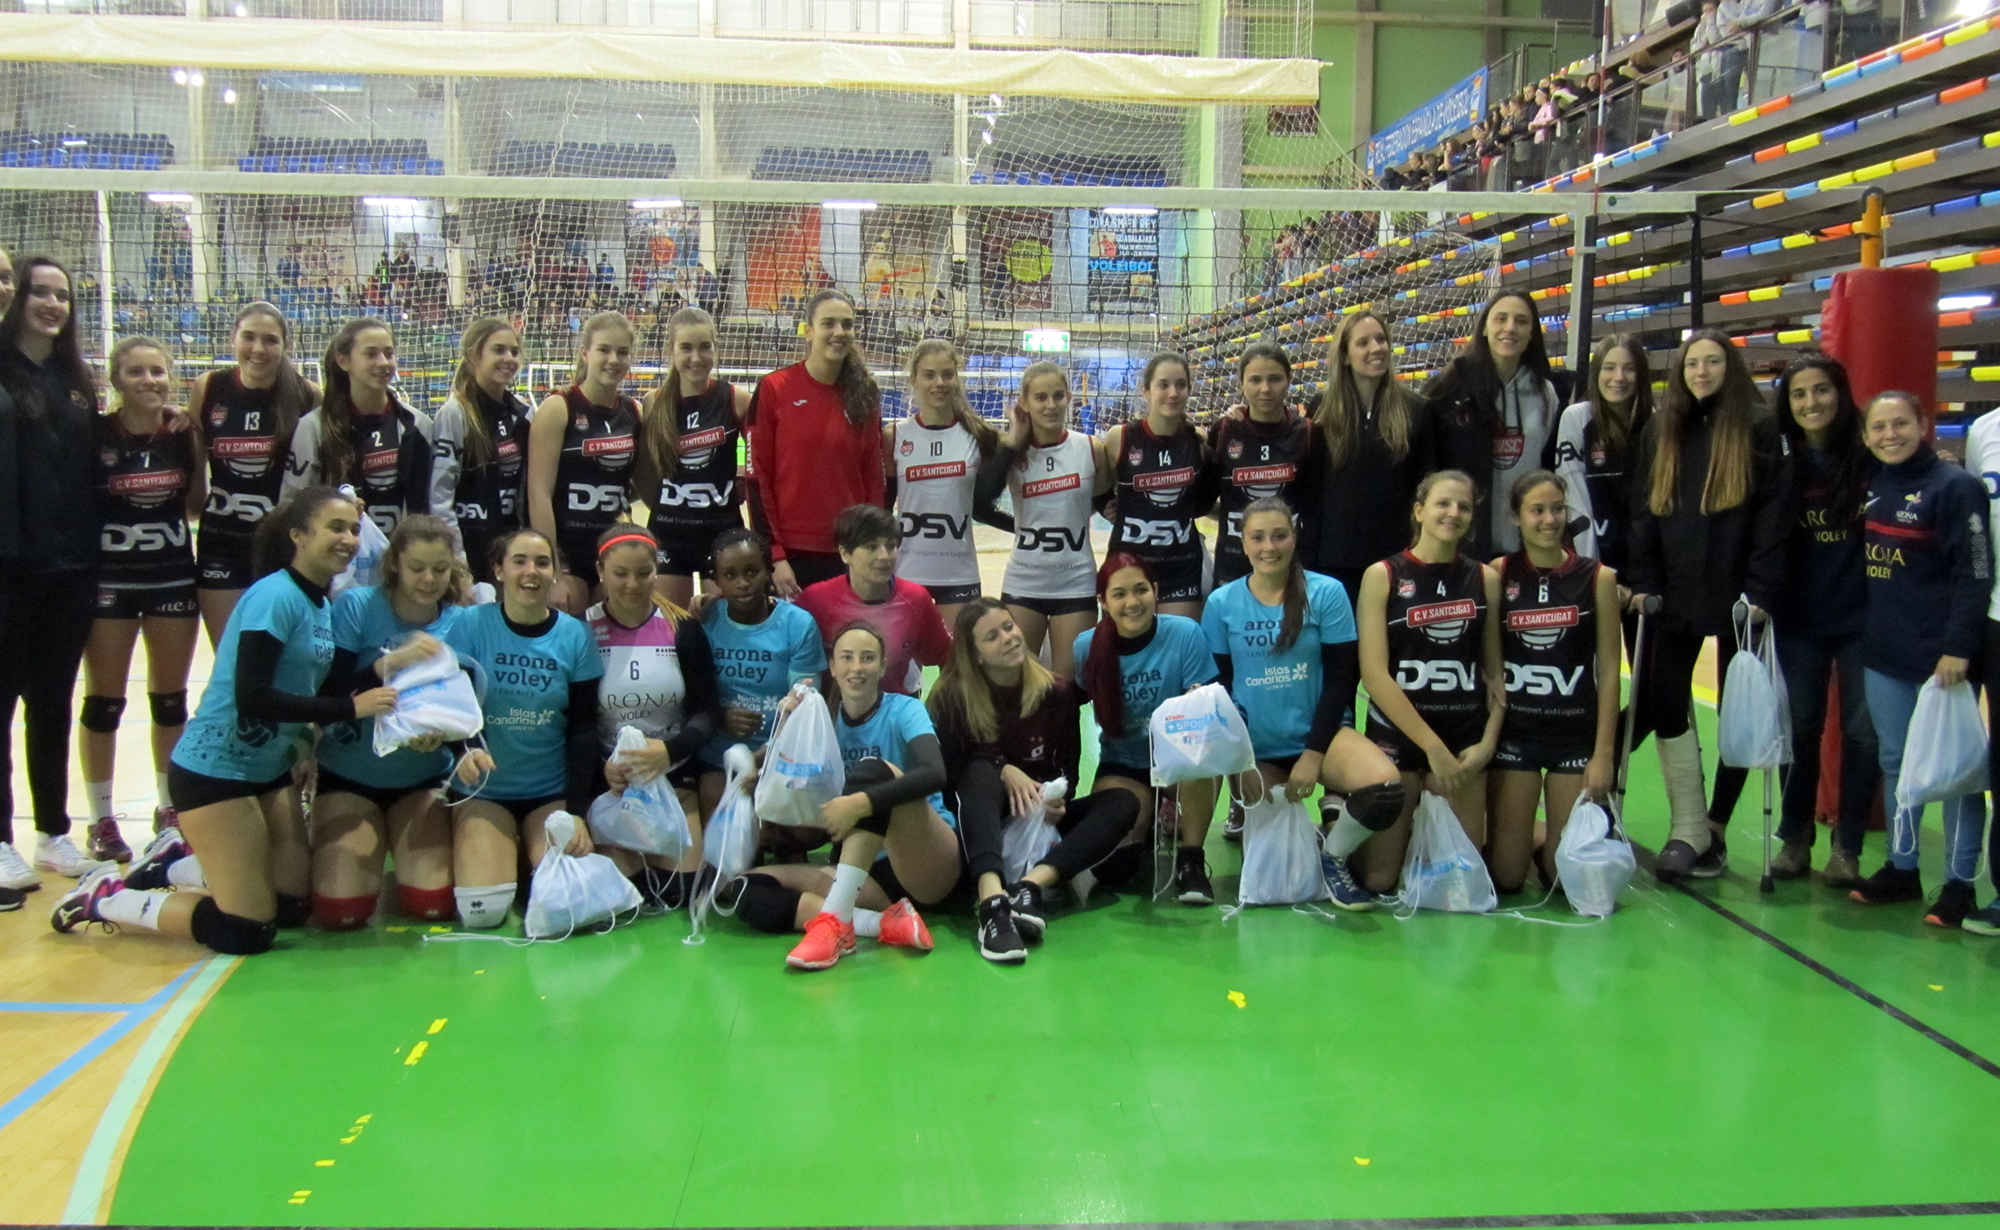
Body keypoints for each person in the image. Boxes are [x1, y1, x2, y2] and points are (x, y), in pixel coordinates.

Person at [53, 488, 400, 953]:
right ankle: (106, 898)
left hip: (268, 770)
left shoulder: (320, 604)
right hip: (216, 773)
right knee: (247, 930)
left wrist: (383, 671)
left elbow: (316, 689)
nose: (350, 539)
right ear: (298, 535)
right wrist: (350, 709)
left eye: (354, 529)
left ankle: (174, 864)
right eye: (335, 528)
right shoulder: (275, 595)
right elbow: (254, 697)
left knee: (292, 906)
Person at [1627, 329, 1792, 882]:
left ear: (1731, 367)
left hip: (1741, 597)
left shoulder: (1758, 426)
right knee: (1663, 697)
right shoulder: (1661, 429)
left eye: (1713, 361)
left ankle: (1716, 828)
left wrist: (1762, 590)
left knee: (1737, 711)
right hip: (1676, 591)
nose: (1701, 371)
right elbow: (1644, 511)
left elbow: (1774, 516)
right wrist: (1645, 578)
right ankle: (1690, 825)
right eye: (1692, 363)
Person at [1208, 498, 1407, 906]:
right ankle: (1291, 827)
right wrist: (1239, 764)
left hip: (1323, 739)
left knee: (1385, 789)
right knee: (1276, 881)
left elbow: (1340, 680)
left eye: (1279, 536)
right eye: (1258, 537)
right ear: (1242, 543)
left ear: (1294, 537)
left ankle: (1333, 855)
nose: (1269, 547)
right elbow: (1221, 688)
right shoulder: (1222, 603)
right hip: (1259, 750)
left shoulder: (1326, 592)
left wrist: (1314, 754)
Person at [735, 621, 958, 969]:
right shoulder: (824, 723)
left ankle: (836, 922)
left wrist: (860, 803)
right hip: (868, 878)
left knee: (872, 771)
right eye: (847, 658)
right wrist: (789, 729)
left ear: (883, 666)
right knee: (744, 888)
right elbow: (801, 803)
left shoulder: (904, 709)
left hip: (926, 861)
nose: (857, 667)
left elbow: (934, 773)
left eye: (868, 658)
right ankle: (878, 924)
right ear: (833, 666)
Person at [931, 599, 1141, 962]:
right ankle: (992, 903)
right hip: (980, 834)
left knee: (1124, 801)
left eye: (1009, 627)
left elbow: (1069, 770)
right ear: (976, 654)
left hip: (1038, 823)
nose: (1009, 638)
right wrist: (1001, 769)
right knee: (979, 772)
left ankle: (1030, 886)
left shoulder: (1056, 692)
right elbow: (951, 782)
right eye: (992, 637)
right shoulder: (952, 698)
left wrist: (1057, 799)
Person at [1851, 391, 1990, 929]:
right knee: (1896, 761)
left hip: (1942, 662)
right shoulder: (1871, 483)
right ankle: (1902, 867)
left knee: (1956, 773)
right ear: (1866, 436)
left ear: (1924, 425)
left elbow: (1975, 574)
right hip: (1883, 652)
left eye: (1900, 424)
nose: (1890, 435)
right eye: (1879, 427)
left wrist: (1958, 648)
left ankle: (1959, 884)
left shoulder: (1956, 488)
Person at [0, 256, 116, 888]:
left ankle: (52, 833)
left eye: (62, 295)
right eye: (38, 292)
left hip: (70, 568)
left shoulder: (75, 381)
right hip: (11, 564)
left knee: (52, 703)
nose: (51, 304)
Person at [79, 336, 205, 866]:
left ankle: (169, 809)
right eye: (137, 371)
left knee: (170, 701)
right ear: (115, 380)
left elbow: (195, 504)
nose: (150, 380)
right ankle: (101, 818)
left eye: (158, 371)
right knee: (104, 703)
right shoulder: (95, 434)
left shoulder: (182, 434)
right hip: (111, 581)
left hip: (171, 577)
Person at [306, 515, 466, 929]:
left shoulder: (459, 622)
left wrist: (444, 740)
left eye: (440, 569)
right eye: (417, 567)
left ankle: (401, 859)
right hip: (350, 775)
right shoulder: (357, 606)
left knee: (432, 904)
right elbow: (330, 695)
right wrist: (390, 663)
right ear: (395, 563)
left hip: (421, 778)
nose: (428, 579)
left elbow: (466, 710)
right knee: (341, 912)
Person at [441, 527, 605, 930]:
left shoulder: (575, 635)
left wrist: (577, 812)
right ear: (499, 570)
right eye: (519, 561)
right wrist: (463, 751)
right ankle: (508, 855)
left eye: (542, 563)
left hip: (547, 791)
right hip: (485, 791)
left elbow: (584, 729)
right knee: (483, 912)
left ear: (555, 573)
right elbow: (450, 705)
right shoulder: (470, 625)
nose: (531, 571)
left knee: (566, 909)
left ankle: (525, 857)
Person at [1353, 472, 1505, 894]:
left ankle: (1525, 834)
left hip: (1463, 740)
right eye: (1443, 503)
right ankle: (1342, 828)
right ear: (1419, 511)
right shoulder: (1383, 575)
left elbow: (1495, 674)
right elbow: (1374, 676)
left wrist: (1486, 746)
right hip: (1399, 736)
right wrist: (1432, 748)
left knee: (1460, 882)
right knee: (1380, 879)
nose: (1453, 513)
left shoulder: (1485, 579)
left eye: (1464, 507)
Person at [1767, 354, 1878, 886]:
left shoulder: (1870, 457)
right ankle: (1795, 839)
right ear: (1787, 405)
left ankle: (1847, 848)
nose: (1812, 402)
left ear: (1840, 394)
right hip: (1799, 619)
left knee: (1861, 735)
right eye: (1799, 394)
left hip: (1863, 620)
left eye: (1821, 391)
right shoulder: (1780, 463)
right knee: (1800, 731)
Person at [1487, 471, 1621, 894]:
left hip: (1573, 738)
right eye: (1537, 510)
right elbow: (1489, 663)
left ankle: (1549, 847)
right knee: (1507, 878)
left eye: (1557, 509)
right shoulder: (1499, 573)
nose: (1549, 520)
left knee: (1563, 880)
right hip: (1516, 736)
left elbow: (1610, 671)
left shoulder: (1598, 578)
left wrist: (1603, 756)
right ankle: (1528, 836)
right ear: (1516, 517)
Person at [1072, 554, 1220, 906]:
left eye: (1140, 590)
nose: (1132, 602)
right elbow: (1066, 707)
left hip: (1179, 759)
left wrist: (1198, 701)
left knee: (1201, 761)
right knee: (1115, 869)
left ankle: (1191, 860)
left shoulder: (1185, 633)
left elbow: (1210, 716)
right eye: (1119, 594)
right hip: (1124, 764)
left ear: (1155, 591)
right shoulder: (1086, 646)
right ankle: (1148, 816)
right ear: (1103, 601)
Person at [584, 524, 719, 908]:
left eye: (643, 573)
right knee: (625, 892)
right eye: (620, 573)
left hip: (672, 771)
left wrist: (669, 751)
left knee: (679, 892)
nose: (632, 584)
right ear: (600, 571)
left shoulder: (682, 627)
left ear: (656, 570)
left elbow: (708, 712)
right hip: (611, 779)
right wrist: (602, 768)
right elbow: (576, 719)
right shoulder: (583, 629)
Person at [192, 302, 318, 646]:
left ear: (286, 345)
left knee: (277, 660)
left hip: (282, 547)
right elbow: (192, 455)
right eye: (248, 337)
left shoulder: (307, 396)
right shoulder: (209, 387)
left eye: (270, 340)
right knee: (229, 658)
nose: (258, 349)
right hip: (220, 542)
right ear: (232, 339)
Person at [747, 289, 886, 597]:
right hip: (792, 556)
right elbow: (757, 477)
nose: (839, 332)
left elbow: (873, 478)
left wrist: (873, 545)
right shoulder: (774, 388)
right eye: (828, 323)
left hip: (850, 552)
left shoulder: (865, 394)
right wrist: (774, 554)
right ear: (808, 331)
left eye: (847, 324)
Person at [976, 361, 1110, 680]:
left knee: (1068, 688)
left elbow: (1106, 503)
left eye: (1058, 396)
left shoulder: (1090, 448)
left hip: (1075, 581)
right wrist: (1011, 443)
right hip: (1025, 580)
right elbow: (979, 504)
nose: (1051, 405)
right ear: (1024, 402)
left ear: (1069, 398)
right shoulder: (1011, 452)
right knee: (1015, 681)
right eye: (1040, 397)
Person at [1298, 311, 1436, 604]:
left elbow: (1425, 488)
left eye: (1381, 339)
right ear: (1345, 356)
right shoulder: (1323, 409)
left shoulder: (1416, 410)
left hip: (1396, 559)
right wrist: (1308, 561)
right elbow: (1312, 491)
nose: (1376, 348)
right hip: (1335, 562)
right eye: (1363, 342)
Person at [695, 527, 825, 817]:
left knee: (801, 830)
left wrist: (763, 757)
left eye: (752, 572)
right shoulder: (705, 619)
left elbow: (804, 707)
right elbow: (692, 693)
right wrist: (720, 716)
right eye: (730, 575)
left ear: (769, 572)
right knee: (716, 798)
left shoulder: (798, 624)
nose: (742, 583)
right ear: (716, 580)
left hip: (783, 750)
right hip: (719, 755)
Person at [1425, 292, 1561, 558]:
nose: (1510, 328)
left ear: (1532, 333)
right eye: (1501, 319)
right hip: (1463, 547)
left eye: (1521, 321)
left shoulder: (1546, 394)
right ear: (1485, 328)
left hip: (1525, 547)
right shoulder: (1450, 390)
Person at [886, 339, 1007, 629]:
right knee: (903, 658)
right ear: (914, 379)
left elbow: (982, 508)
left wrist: (1024, 528)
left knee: (958, 657)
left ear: (957, 377)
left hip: (958, 575)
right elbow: (883, 506)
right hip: (906, 573)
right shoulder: (895, 435)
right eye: (929, 375)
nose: (939, 383)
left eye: (947, 374)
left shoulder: (980, 437)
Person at [637, 306, 750, 609]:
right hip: (669, 535)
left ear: (716, 348)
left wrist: (741, 475)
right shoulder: (653, 403)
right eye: (686, 347)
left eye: (704, 347)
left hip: (722, 533)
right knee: (673, 627)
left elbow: (761, 459)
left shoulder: (736, 399)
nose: (696, 357)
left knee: (724, 624)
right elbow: (645, 474)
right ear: (671, 350)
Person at [527, 311, 640, 614]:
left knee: (616, 635)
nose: (613, 359)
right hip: (568, 553)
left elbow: (644, 484)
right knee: (572, 631)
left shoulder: (634, 412)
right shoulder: (558, 408)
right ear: (585, 353)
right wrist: (553, 571)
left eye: (622, 352)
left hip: (613, 550)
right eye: (604, 350)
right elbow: (539, 495)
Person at [284, 318, 437, 539]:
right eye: (371, 354)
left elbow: (432, 503)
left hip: (404, 553)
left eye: (389, 353)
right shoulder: (314, 427)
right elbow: (294, 504)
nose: (383, 362)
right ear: (343, 360)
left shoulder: (420, 425)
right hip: (340, 554)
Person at [796, 504, 950, 699]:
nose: (884, 556)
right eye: (871, 547)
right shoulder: (815, 600)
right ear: (845, 553)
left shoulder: (916, 599)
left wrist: (944, 704)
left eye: (891, 546)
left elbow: (947, 657)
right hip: (832, 712)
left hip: (895, 710)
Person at [1102, 352, 1215, 618]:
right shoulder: (1120, 438)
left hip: (1181, 566)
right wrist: (1107, 508)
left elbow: (1202, 503)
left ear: (1189, 390)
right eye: (1163, 385)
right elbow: (1100, 491)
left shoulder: (1197, 441)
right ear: (1146, 390)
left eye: (1180, 385)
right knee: (1128, 643)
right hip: (1127, 565)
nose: (1173, 393)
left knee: (1179, 640)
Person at [431, 317, 529, 587]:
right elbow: (440, 497)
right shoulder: (455, 413)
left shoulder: (523, 413)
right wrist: (457, 563)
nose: (509, 358)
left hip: (510, 548)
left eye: (514, 351)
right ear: (474, 355)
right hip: (470, 547)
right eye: (498, 350)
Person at [1210, 342, 1312, 588]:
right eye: (1255, 380)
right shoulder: (1224, 430)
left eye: (1275, 379)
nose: (1265, 389)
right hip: (1233, 562)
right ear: (1241, 384)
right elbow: (1203, 498)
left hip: (1288, 562)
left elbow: (1315, 503)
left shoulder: (1307, 433)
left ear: (1289, 380)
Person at [1553, 332, 1653, 577]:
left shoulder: (1655, 422)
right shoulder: (1577, 418)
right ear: (1596, 373)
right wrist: (1595, 574)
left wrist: (1646, 577)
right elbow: (1574, 499)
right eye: (1609, 368)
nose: (1619, 377)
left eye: (1629, 368)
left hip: (1645, 566)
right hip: (1595, 564)